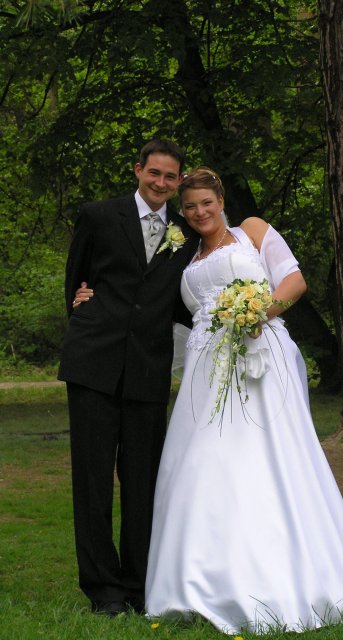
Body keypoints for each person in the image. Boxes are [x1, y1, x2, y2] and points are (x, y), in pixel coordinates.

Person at [144, 167, 343, 633]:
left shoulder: (252, 231)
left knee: (266, 460)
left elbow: (293, 282)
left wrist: (258, 313)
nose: (199, 212)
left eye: (207, 203)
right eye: (190, 206)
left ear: (221, 201)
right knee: (200, 464)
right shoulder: (186, 255)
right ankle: (197, 581)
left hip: (259, 357)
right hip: (206, 369)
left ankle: (283, 575)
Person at [58, 139, 199, 617]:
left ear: (178, 181)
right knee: (93, 482)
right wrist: (82, 307)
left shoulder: (185, 233)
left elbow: (182, 299)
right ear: (138, 170)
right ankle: (104, 590)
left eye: (170, 176)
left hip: (148, 368)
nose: (161, 182)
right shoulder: (99, 216)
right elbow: (75, 279)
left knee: (143, 484)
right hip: (93, 365)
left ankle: (138, 585)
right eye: (153, 172)